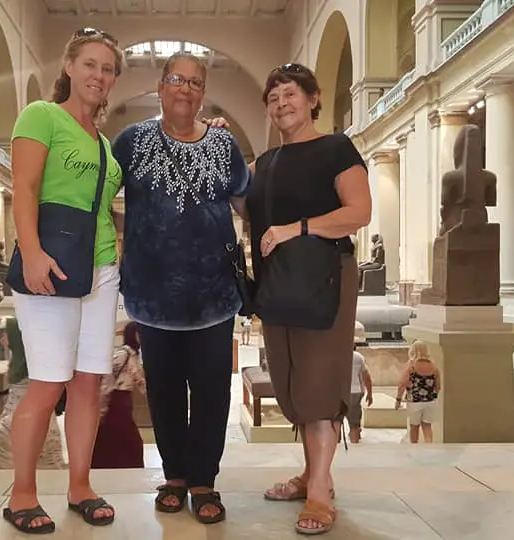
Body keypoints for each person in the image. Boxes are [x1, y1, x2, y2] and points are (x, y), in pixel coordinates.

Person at [110, 51, 250, 525]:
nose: (185, 88)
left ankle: (205, 481)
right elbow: (98, 191)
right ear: (161, 86)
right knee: (166, 391)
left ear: (202, 92)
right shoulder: (132, 141)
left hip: (213, 296)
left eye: (194, 81)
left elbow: (246, 201)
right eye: (177, 79)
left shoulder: (223, 146)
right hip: (152, 296)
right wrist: (120, 238)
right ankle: (173, 476)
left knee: (212, 392)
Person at [5, 27, 124, 534]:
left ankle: (80, 485)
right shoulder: (41, 115)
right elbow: (24, 186)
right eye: (91, 65)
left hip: (100, 269)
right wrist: (30, 252)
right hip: (51, 265)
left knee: (88, 383)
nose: (99, 75)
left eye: (108, 69)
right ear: (70, 67)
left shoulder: (103, 143)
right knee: (48, 382)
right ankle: (22, 493)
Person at [247, 64, 371, 535]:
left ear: (313, 98)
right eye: (273, 97)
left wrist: (297, 229)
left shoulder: (335, 148)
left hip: (324, 277)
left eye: (291, 94)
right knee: (292, 380)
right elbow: (241, 200)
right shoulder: (266, 163)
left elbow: (358, 211)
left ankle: (319, 492)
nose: (281, 103)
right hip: (278, 281)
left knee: (320, 383)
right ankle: (311, 474)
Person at [0, 317, 65, 470]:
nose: (3, 339)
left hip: (24, 425)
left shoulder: (30, 378)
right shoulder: (28, 366)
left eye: (8, 334)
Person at [92, 321, 146, 469]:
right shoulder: (124, 354)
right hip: (116, 399)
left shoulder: (132, 354)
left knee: (120, 435)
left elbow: (140, 381)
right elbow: (107, 379)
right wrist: (102, 407)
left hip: (123, 398)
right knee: (123, 435)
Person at [395, 340, 440, 444]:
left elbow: (402, 383)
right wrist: (431, 395)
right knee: (427, 426)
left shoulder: (411, 366)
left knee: (414, 426)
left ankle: (414, 448)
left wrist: (398, 399)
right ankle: (428, 447)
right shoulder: (434, 366)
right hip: (430, 401)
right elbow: (438, 386)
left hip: (415, 401)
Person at [347, 344, 374, 444]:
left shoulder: (335, 355)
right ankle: (355, 442)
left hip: (338, 392)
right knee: (354, 424)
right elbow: (366, 377)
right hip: (355, 391)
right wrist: (370, 393)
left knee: (335, 424)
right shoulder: (358, 357)